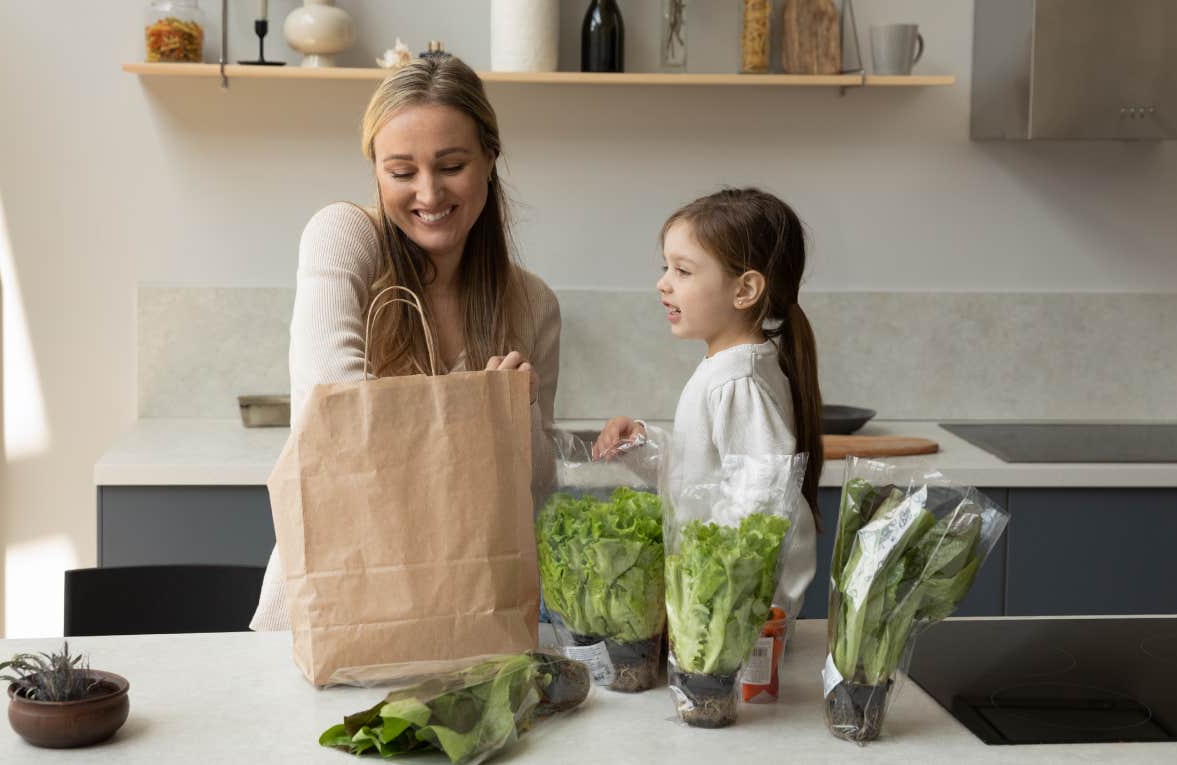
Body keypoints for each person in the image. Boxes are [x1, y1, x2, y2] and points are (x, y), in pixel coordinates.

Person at [250, 55, 561, 631]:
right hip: (324, 616)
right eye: (402, 171)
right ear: (376, 170)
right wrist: (479, 417)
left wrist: (526, 410)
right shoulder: (343, 236)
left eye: (452, 165)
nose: (428, 192)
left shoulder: (533, 305)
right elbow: (334, 414)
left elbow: (533, 496)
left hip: (461, 617)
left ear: (490, 160)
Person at [592, 186, 823, 621]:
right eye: (666, 267)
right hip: (725, 599)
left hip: (738, 608)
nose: (663, 283)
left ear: (745, 289)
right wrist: (645, 445)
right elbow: (707, 474)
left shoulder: (736, 380)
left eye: (682, 270)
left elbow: (762, 502)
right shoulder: (733, 368)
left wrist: (719, 593)